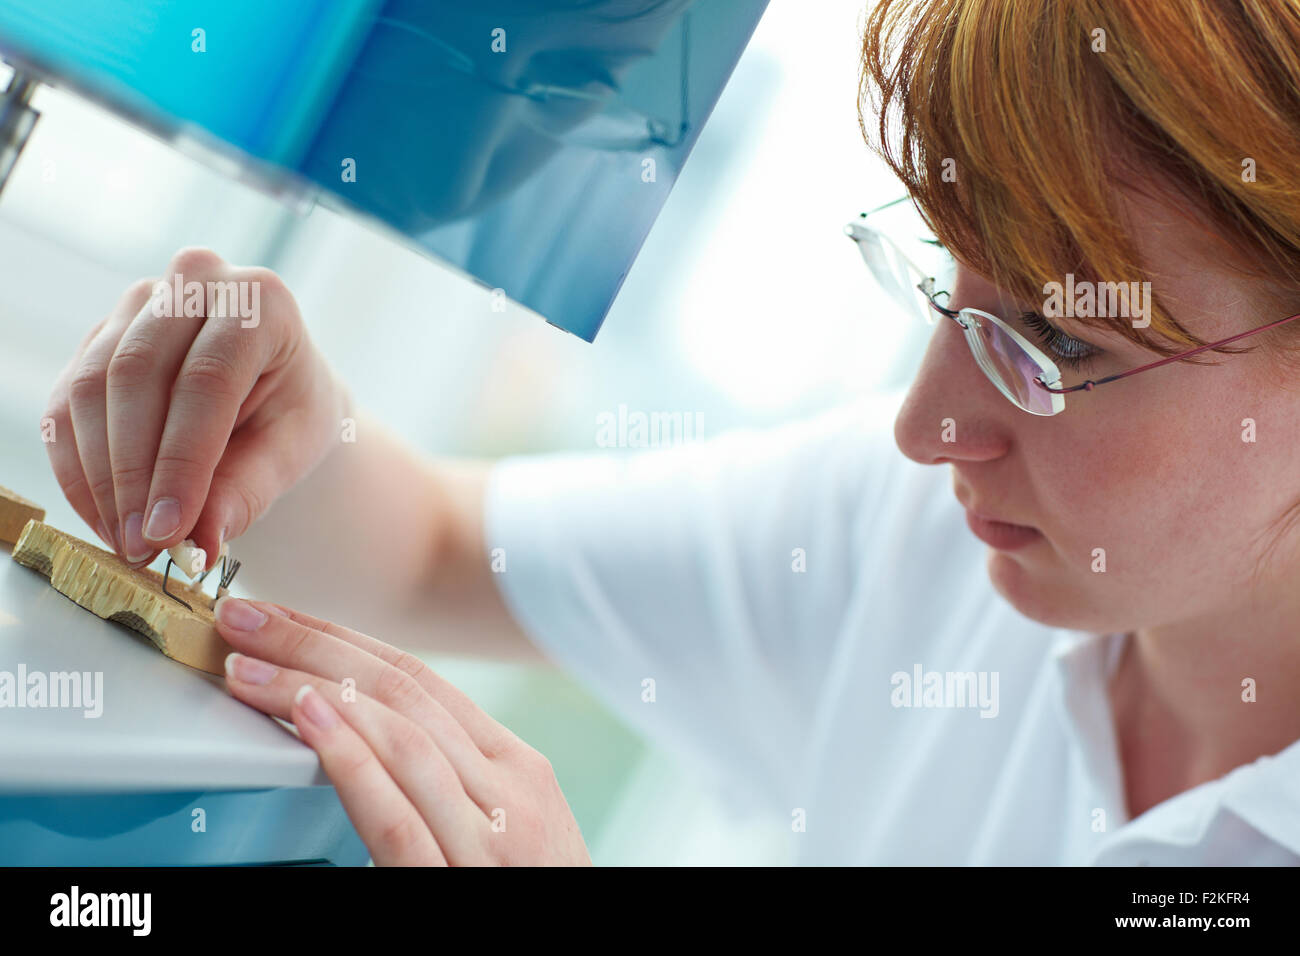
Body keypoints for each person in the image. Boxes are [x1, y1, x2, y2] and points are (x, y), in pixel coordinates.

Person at [41, 0, 1300, 865]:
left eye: (1058, 345)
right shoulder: (913, 532)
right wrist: (285, 409)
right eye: (941, 285)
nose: (925, 429)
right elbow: (434, 552)